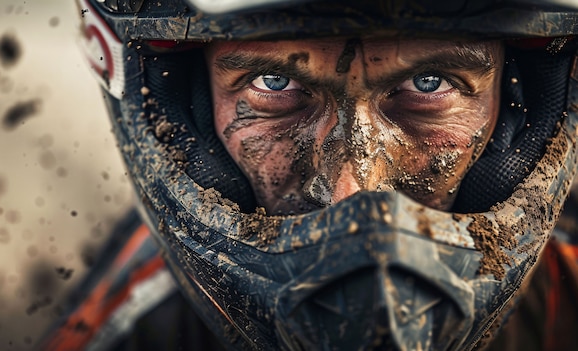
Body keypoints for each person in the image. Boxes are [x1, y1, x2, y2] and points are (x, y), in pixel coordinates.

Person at [39, 0, 578, 349]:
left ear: (517, 100)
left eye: (430, 84)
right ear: (188, 104)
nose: (353, 191)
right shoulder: (128, 330)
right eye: (274, 84)